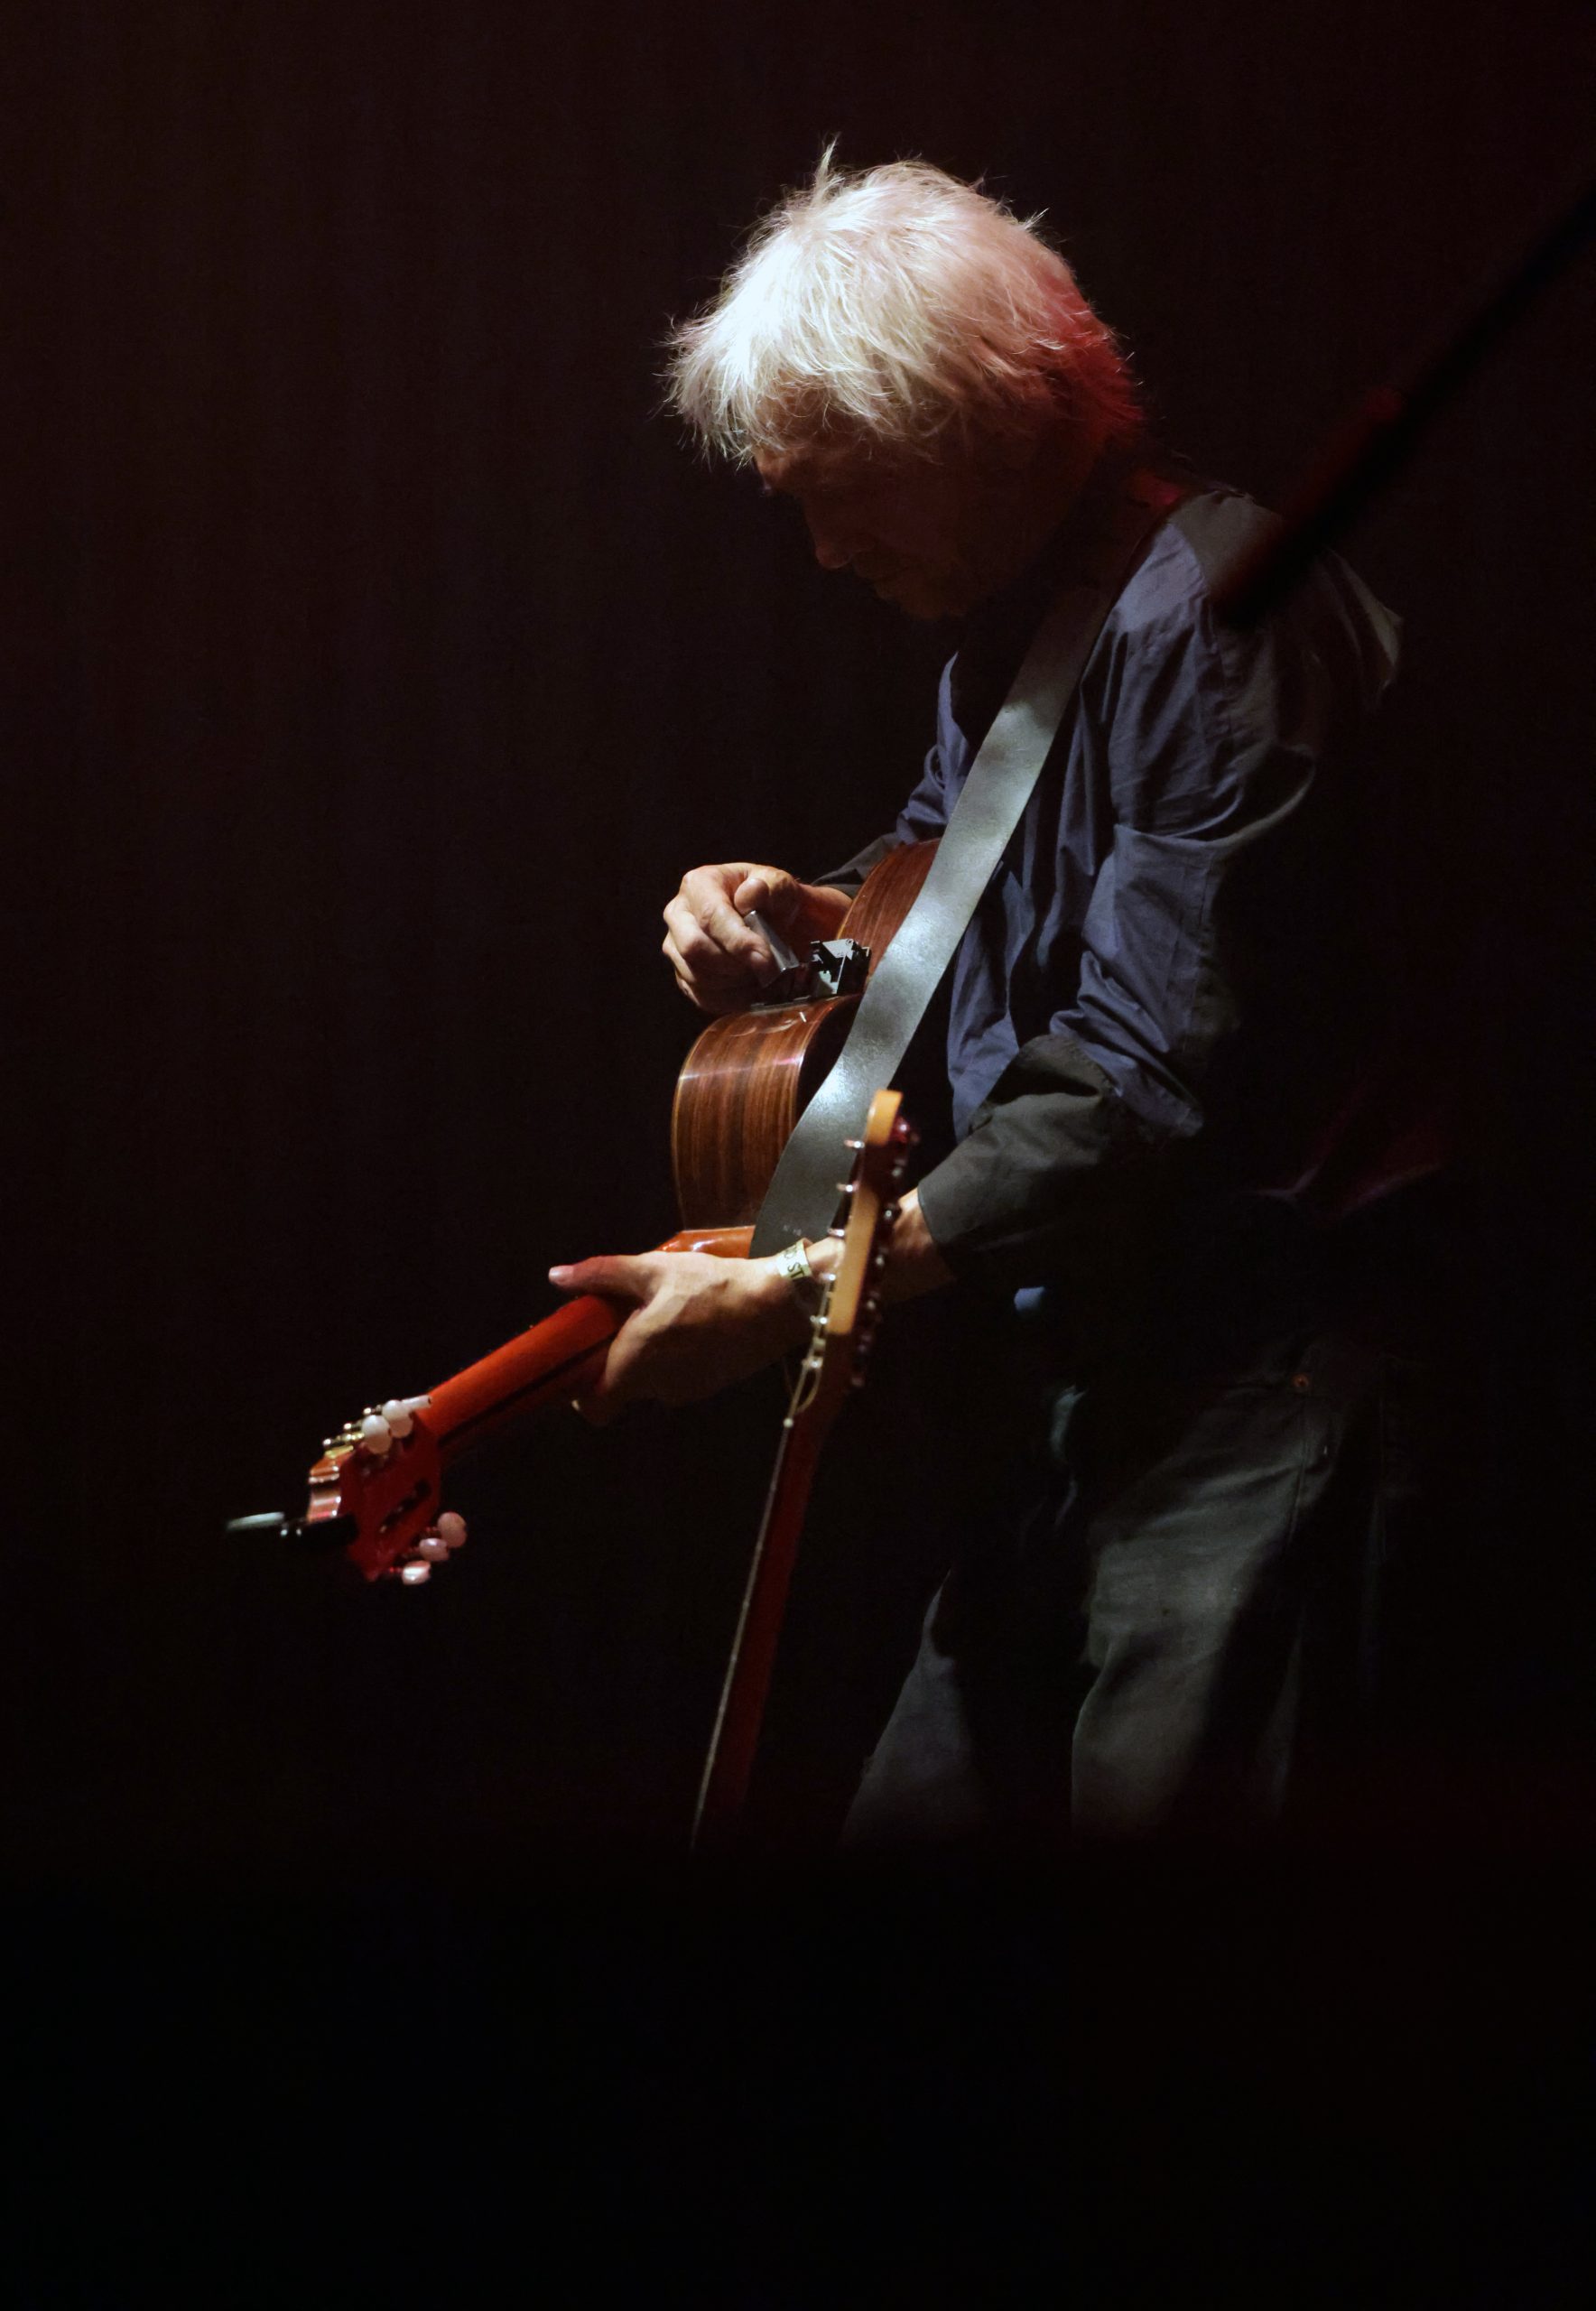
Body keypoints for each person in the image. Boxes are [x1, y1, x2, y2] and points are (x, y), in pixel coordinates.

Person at [548, 153, 1443, 1842]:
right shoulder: (1024, 631)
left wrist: (801, 1289)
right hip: (1080, 1391)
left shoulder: (1220, 617)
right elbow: (948, 890)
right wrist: (805, 927)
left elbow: (1141, 1077)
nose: (826, 551)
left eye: (844, 493)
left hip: (1250, 1397)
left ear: (967, 425)